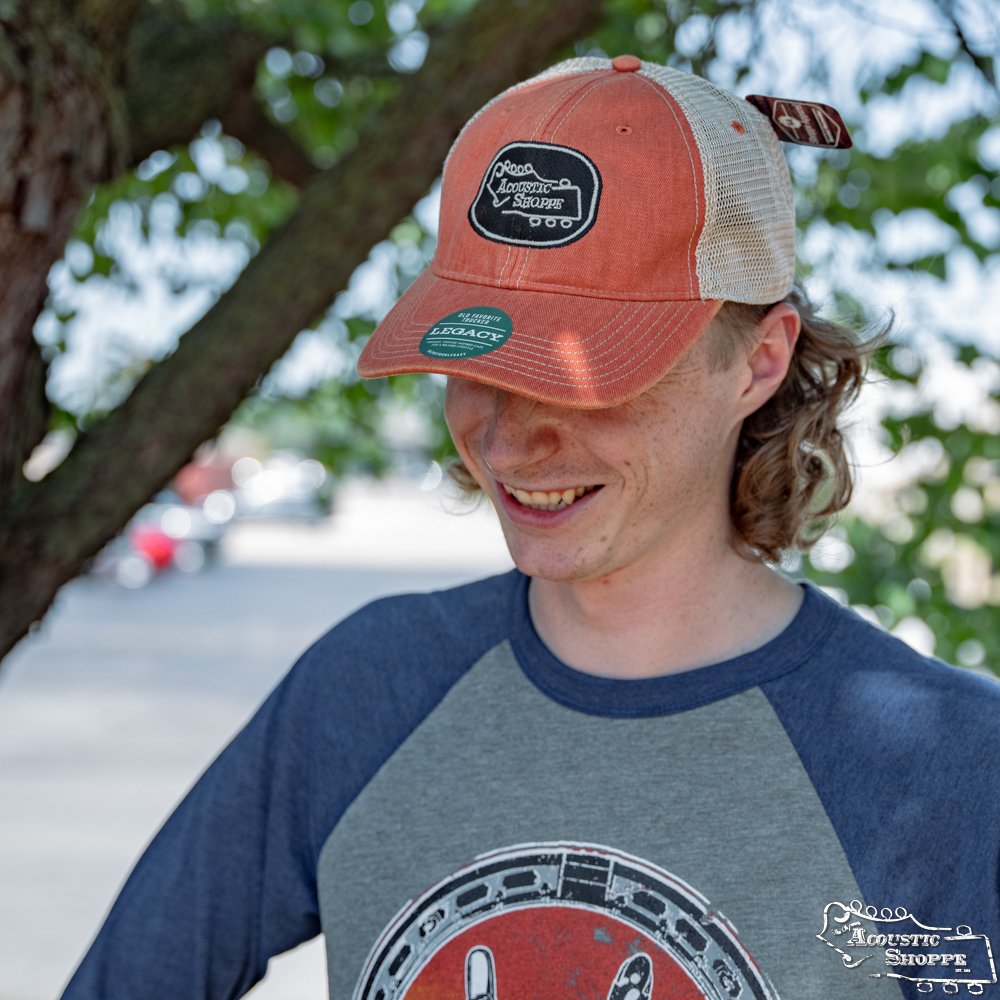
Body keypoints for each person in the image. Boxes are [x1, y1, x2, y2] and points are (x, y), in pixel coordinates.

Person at [62, 55, 999, 1000]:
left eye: (586, 378)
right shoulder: (368, 694)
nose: (509, 440)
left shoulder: (948, 771)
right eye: (477, 359)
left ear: (757, 361)